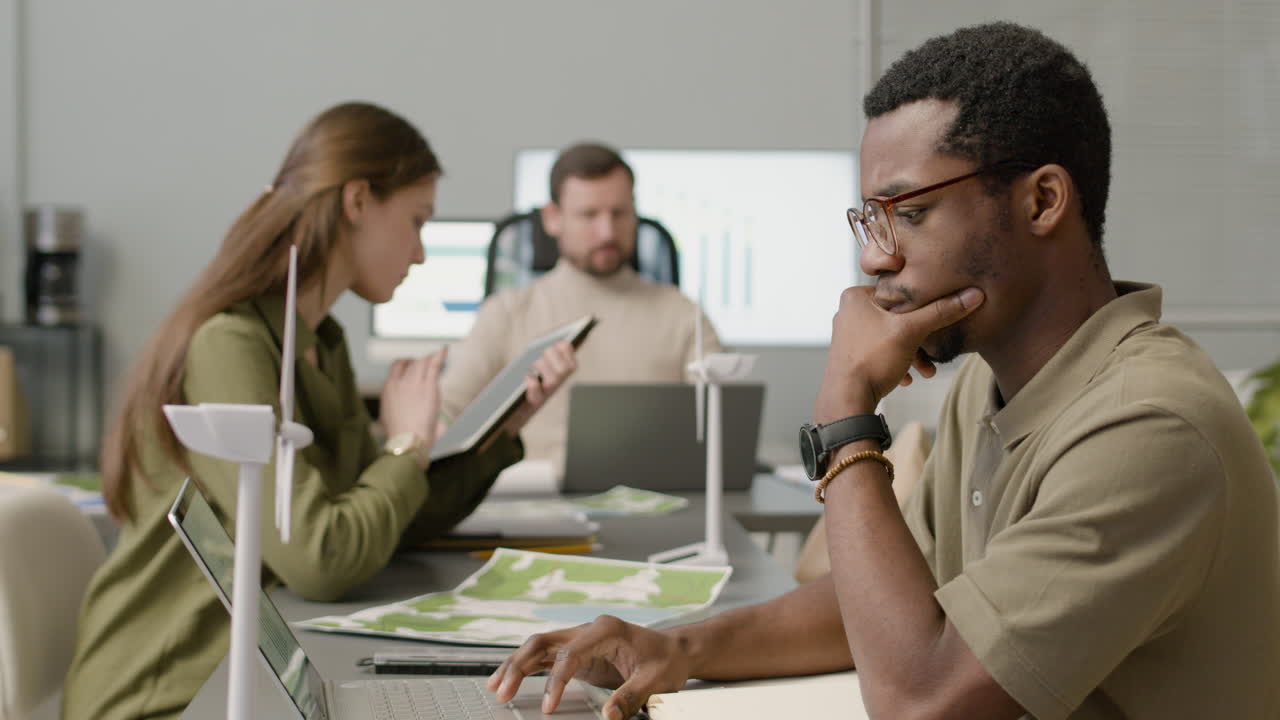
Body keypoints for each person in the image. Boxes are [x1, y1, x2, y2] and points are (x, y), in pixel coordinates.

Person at [488, 22, 1280, 720]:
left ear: (1042, 201)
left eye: (910, 212)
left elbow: (921, 699)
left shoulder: (1149, 427)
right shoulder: (987, 382)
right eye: (871, 217)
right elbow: (899, 614)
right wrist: (677, 649)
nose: (875, 257)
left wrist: (845, 417)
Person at [62, 102, 577, 720]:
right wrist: (406, 444)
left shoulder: (320, 344)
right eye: (416, 221)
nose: (418, 253)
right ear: (358, 200)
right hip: (169, 694)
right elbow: (323, 561)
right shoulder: (230, 345)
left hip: (249, 679)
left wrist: (505, 427)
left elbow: (391, 525)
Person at [440, 142, 721, 475]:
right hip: (536, 503)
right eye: (589, 215)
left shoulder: (682, 315)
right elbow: (448, 416)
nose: (607, 232)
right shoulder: (507, 313)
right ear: (552, 218)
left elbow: (723, 428)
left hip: (650, 501)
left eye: (619, 213)